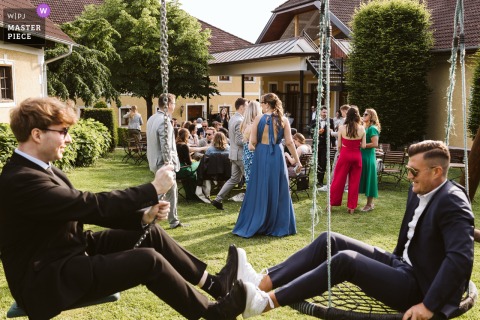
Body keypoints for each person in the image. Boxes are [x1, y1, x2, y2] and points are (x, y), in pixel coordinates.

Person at [0, 97, 249, 320]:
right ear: (36, 134)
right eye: (63, 131)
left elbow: (82, 211)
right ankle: (213, 313)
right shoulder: (21, 179)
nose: (69, 138)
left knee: (150, 233)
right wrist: (152, 189)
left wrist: (143, 216)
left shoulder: (42, 169)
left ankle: (215, 285)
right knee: (147, 261)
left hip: (67, 252)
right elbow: (90, 205)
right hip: (45, 280)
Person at [235, 140, 474, 320]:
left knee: (346, 261)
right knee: (329, 240)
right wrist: (392, 262)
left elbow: (460, 257)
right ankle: (261, 282)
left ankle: (264, 303)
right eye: (409, 170)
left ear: (437, 172)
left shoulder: (453, 201)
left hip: (421, 288)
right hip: (401, 264)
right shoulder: (422, 188)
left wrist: (429, 305)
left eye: (414, 172)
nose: (409, 177)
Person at [232, 93, 300, 238]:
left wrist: (253, 145)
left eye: (262, 103)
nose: (261, 105)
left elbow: (252, 144)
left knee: (259, 187)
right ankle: (277, 223)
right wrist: (297, 161)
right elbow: (289, 142)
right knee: (278, 187)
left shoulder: (258, 118)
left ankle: (257, 221)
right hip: (277, 155)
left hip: (261, 155)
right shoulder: (283, 120)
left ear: (267, 104)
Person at [147, 93, 184, 229]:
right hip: (163, 162)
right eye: (174, 103)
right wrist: (169, 164)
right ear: (168, 105)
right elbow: (166, 144)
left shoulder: (152, 118)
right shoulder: (164, 120)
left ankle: (173, 221)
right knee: (164, 191)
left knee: (169, 190)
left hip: (154, 160)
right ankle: (145, 213)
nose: (174, 106)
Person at [211, 98, 247, 210]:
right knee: (250, 179)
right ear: (241, 107)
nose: (248, 108)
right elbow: (239, 141)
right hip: (240, 155)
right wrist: (251, 141)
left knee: (234, 179)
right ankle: (251, 204)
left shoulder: (233, 119)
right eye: (246, 106)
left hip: (233, 154)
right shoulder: (240, 120)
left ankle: (217, 199)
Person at [329, 108, 366, 213]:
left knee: (338, 180)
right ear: (357, 116)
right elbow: (363, 146)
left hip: (345, 154)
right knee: (354, 182)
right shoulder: (362, 128)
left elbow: (339, 146)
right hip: (357, 156)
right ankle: (351, 207)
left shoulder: (342, 128)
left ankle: (331, 204)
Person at [359, 108, 381, 212]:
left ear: (371, 116)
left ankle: (369, 204)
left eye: (366, 114)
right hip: (362, 155)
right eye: (363, 114)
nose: (363, 115)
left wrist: (362, 145)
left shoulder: (372, 128)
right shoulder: (364, 127)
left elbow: (375, 144)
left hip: (368, 157)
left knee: (369, 179)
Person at [240, 100, 262, 186]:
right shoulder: (254, 125)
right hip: (254, 154)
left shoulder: (244, 124)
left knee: (250, 181)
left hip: (246, 155)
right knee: (257, 182)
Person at [176, 128, 201, 200]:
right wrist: (190, 156)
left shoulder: (175, 144)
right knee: (199, 163)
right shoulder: (184, 146)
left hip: (176, 168)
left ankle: (191, 194)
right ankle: (196, 192)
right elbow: (189, 162)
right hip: (183, 168)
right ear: (186, 136)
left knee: (192, 175)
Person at [316, 107, 335, 187]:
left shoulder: (330, 120)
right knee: (317, 162)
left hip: (326, 145)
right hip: (317, 145)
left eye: (326, 112)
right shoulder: (315, 120)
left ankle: (320, 180)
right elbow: (310, 130)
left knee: (323, 162)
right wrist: (316, 132)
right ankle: (316, 179)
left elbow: (332, 132)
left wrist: (333, 144)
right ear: (320, 112)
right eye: (323, 112)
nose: (325, 114)